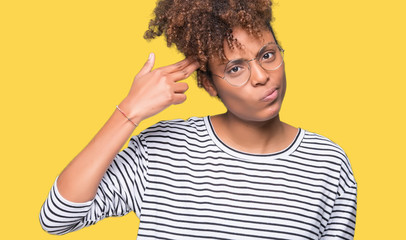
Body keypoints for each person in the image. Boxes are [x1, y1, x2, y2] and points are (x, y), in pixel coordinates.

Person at [39, 0, 357, 239]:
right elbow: (57, 217)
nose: (261, 76)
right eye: (235, 69)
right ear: (208, 84)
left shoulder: (327, 162)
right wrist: (128, 111)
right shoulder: (163, 150)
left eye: (268, 55)